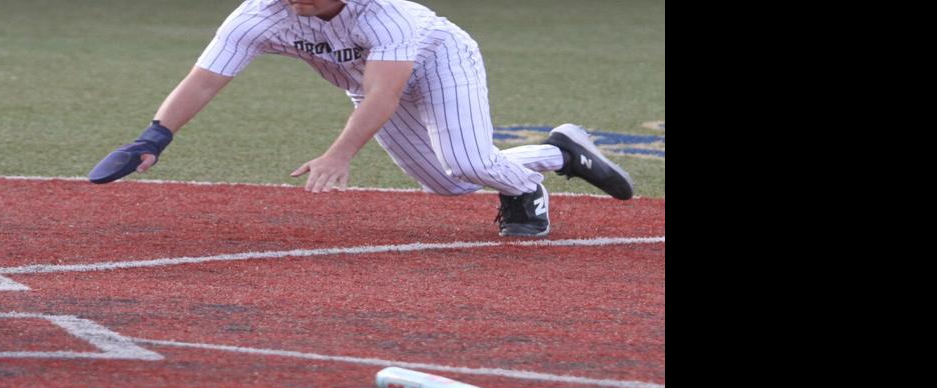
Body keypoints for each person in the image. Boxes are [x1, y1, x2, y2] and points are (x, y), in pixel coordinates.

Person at [90, 0, 636, 238]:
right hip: (368, 85)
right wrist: (154, 137)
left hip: (439, 63)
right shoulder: (260, 14)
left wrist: (340, 151)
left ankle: (530, 186)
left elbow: (384, 95)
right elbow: (206, 78)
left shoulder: (385, 13)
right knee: (449, 186)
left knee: (467, 159)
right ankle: (562, 152)